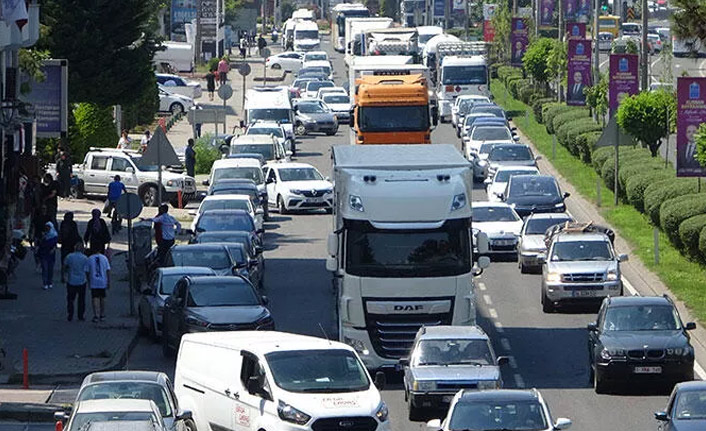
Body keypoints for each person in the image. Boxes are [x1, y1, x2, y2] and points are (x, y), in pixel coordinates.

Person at [64, 242, 88, 321]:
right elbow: (87, 270)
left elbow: (64, 267)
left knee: (70, 298)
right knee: (81, 299)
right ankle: (80, 315)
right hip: (82, 280)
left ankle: (70, 313)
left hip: (71, 280)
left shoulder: (69, 256)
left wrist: (63, 276)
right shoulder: (85, 258)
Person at [86, 246, 110, 322]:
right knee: (102, 298)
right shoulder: (104, 258)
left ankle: (96, 315)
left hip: (94, 281)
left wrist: (88, 280)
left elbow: (87, 271)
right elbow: (108, 270)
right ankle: (102, 314)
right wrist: (108, 281)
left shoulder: (90, 258)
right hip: (103, 281)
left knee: (95, 298)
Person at [58, 211, 81, 283]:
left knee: (64, 260)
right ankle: (67, 275)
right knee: (69, 260)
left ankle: (63, 276)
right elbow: (75, 233)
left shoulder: (64, 223)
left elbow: (61, 233)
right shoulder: (72, 224)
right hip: (71, 244)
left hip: (65, 244)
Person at [38, 222, 58, 290]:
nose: (47, 229)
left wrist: (53, 249)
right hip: (44, 253)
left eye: (48, 227)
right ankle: (45, 283)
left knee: (50, 269)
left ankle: (50, 282)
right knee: (45, 269)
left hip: (51, 254)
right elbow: (40, 244)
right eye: (46, 227)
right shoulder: (44, 235)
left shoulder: (54, 235)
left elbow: (55, 244)